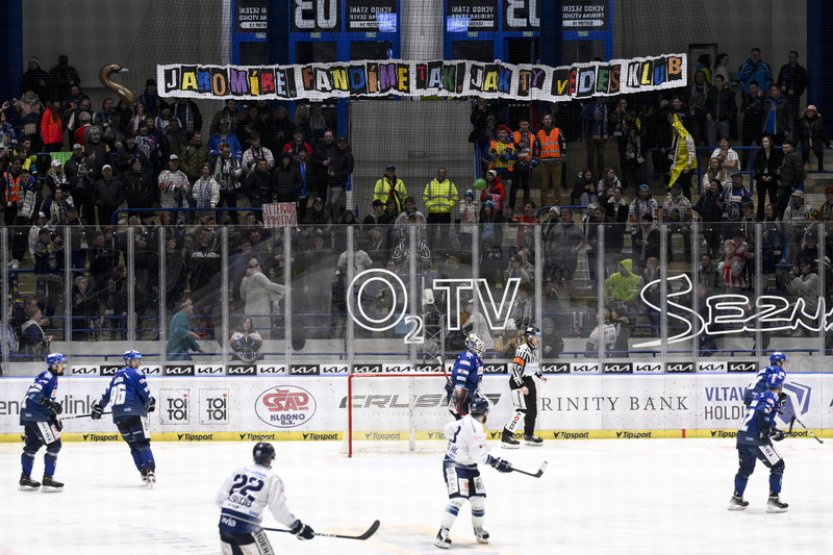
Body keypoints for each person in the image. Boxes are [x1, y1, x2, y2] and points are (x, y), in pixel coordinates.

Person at [435, 398, 513, 549]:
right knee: (458, 499)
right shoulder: (476, 428)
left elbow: (448, 428)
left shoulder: (464, 420)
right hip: (455, 466)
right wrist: (496, 463)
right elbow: (479, 456)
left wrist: (456, 445)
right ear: (485, 412)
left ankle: (478, 530)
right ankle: (442, 533)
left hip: (468, 466)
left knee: (478, 499)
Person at [216, 443, 315, 553]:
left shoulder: (239, 470)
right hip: (247, 528)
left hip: (224, 525)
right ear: (270, 458)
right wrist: (297, 526)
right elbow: (278, 509)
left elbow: (220, 498)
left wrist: (233, 518)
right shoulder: (272, 478)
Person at [91, 350, 157, 484]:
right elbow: (144, 393)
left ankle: (143, 472)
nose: (137, 363)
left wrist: (100, 407)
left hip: (118, 416)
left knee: (133, 446)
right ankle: (150, 471)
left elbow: (107, 395)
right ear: (127, 361)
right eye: (134, 360)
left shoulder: (116, 376)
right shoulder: (136, 373)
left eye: (138, 360)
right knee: (143, 443)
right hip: (135, 414)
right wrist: (150, 402)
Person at [730, 372, 789, 513]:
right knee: (778, 466)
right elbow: (763, 413)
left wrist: (772, 429)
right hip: (756, 439)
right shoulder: (772, 396)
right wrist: (768, 430)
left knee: (745, 470)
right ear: (780, 385)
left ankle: (736, 499)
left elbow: (759, 416)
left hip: (742, 437)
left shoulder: (759, 395)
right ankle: (774, 501)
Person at [19, 352, 66, 491]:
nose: (64, 366)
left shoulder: (52, 377)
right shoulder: (47, 376)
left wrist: (53, 416)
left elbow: (44, 401)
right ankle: (48, 478)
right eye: (62, 364)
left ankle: (25, 478)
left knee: (31, 447)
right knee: (55, 445)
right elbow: (33, 393)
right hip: (36, 416)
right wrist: (49, 405)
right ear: (55, 365)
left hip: (29, 415)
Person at [501, 326, 546, 448]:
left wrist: (540, 375)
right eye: (536, 336)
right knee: (521, 410)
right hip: (518, 382)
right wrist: (521, 385)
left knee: (532, 411)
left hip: (529, 380)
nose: (538, 339)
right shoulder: (522, 350)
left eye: (539, 336)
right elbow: (515, 369)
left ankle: (528, 435)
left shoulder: (532, 350)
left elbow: (532, 366)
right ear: (529, 337)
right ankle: (506, 436)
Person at [447, 334, 485, 420]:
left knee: (470, 419)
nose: (480, 346)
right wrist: (459, 392)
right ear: (472, 345)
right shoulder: (468, 357)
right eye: (477, 344)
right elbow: (460, 375)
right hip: (462, 393)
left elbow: (476, 378)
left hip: (469, 392)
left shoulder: (477, 358)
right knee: (462, 418)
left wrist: (477, 391)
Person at [536, 113, 566, 206]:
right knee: (544, 186)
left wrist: (562, 156)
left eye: (549, 119)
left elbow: (563, 143)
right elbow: (537, 146)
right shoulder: (539, 133)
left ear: (552, 120)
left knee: (557, 186)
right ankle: (543, 206)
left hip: (556, 162)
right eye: (545, 119)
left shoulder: (558, 131)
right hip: (544, 163)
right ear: (543, 121)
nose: (547, 120)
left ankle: (557, 205)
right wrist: (537, 158)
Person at [776, 51, 808, 124]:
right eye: (790, 57)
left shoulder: (801, 70)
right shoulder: (784, 68)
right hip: (784, 95)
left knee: (794, 115)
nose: (791, 58)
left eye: (793, 57)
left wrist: (799, 92)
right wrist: (780, 91)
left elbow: (804, 83)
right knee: (783, 114)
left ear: (796, 58)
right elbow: (779, 80)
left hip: (795, 96)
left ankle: (795, 133)